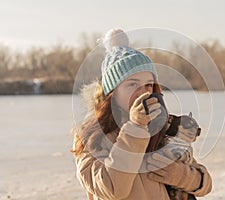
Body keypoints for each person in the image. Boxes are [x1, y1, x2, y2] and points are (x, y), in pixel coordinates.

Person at [71, 28, 212, 200]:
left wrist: (179, 175)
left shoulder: (161, 127)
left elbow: (205, 184)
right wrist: (135, 128)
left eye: (148, 85)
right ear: (112, 92)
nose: (143, 92)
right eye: (132, 85)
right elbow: (112, 190)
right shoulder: (92, 137)